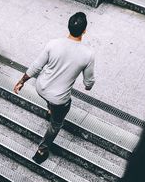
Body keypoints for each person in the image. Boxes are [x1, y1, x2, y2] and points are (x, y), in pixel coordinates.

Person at [13, 12, 95, 164]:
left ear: (68, 27)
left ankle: (50, 109)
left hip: (41, 88)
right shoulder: (88, 54)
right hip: (59, 98)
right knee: (56, 124)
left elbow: (36, 66)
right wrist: (88, 86)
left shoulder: (53, 43)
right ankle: (42, 150)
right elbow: (88, 83)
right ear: (84, 30)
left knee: (51, 99)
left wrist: (21, 81)